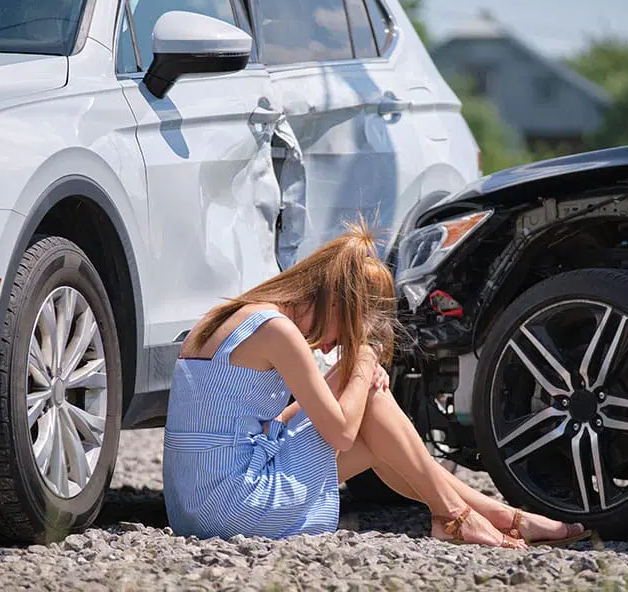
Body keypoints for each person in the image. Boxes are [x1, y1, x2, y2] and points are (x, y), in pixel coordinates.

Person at [162, 220, 589, 548]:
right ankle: (464, 517)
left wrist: (341, 378)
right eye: (346, 331)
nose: (334, 344)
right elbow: (342, 434)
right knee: (371, 413)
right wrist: (363, 362)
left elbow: (266, 426)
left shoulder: (242, 316)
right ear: (337, 301)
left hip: (194, 505)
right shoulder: (278, 331)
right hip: (232, 506)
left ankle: (481, 515)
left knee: (377, 424)